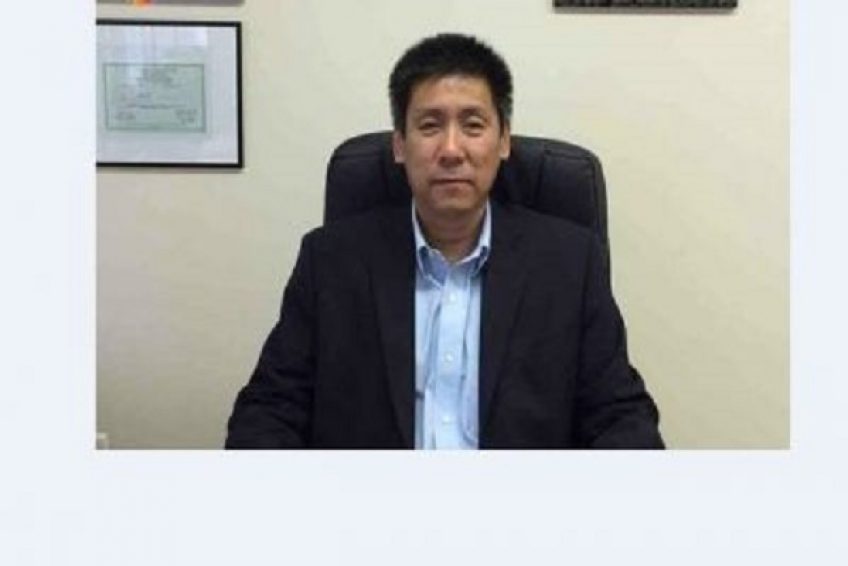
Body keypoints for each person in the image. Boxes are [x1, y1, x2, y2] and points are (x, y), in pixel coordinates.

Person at [225, 33, 663, 449]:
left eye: (473, 125)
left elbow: (620, 416)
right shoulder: (330, 261)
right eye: (430, 125)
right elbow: (269, 410)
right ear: (400, 145)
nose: (452, 150)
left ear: (504, 141)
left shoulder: (569, 262)